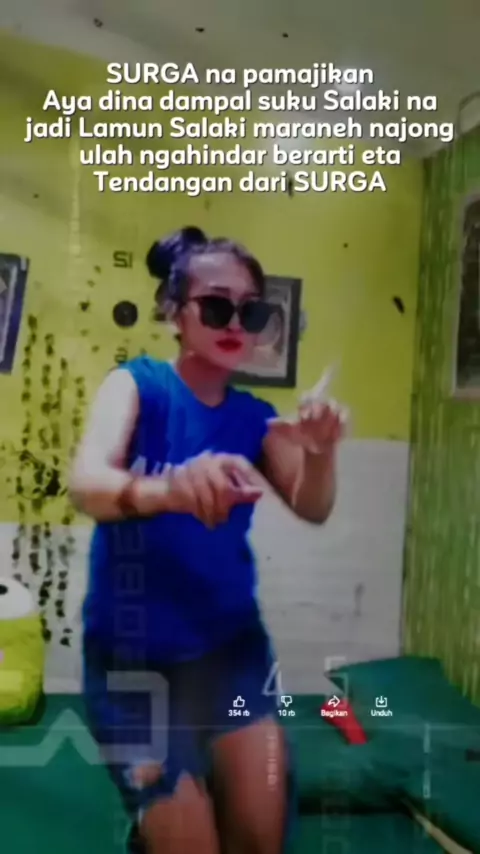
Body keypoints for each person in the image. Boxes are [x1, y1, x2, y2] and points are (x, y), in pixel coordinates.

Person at [69, 227, 344, 854]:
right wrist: (170, 490)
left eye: (252, 311)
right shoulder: (137, 386)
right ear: (174, 313)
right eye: (217, 307)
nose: (236, 323)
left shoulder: (253, 418)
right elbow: (86, 484)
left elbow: (313, 506)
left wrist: (321, 452)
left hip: (230, 653)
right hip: (133, 662)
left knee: (260, 840)